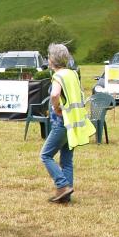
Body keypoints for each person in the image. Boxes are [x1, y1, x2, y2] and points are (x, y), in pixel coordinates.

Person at [40, 43, 95, 203]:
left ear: (52, 59)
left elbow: (55, 94)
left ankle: (62, 185)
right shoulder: (72, 74)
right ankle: (66, 196)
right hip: (73, 122)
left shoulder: (58, 76)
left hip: (61, 122)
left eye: (49, 56)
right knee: (66, 160)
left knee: (45, 155)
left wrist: (56, 107)